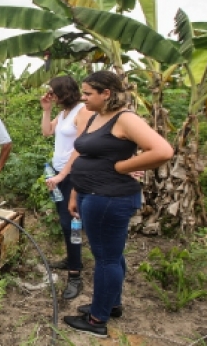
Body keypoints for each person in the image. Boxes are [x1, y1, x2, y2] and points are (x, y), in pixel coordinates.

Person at [63, 71, 173, 338]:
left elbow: (163, 151)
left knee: (106, 259)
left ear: (106, 94)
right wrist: (76, 193)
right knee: (110, 255)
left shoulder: (125, 118)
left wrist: (122, 166)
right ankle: (111, 304)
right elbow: (86, 156)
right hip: (92, 194)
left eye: (88, 93)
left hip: (110, 198)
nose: (83, 97)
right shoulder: (97, 116)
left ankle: (97, 320)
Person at [40, 75, 92, 300]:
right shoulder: (63, 113)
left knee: (71, 221)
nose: (50, 95)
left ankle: (75, 274)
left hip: (72, 174)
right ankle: (72, 259)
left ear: (63, 92)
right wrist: (46, 109)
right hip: (58, 171)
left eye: (53, 92)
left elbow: (80, 147)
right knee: (64, 221)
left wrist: (62, 174)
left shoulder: (82, 111)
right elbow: (46, 132)